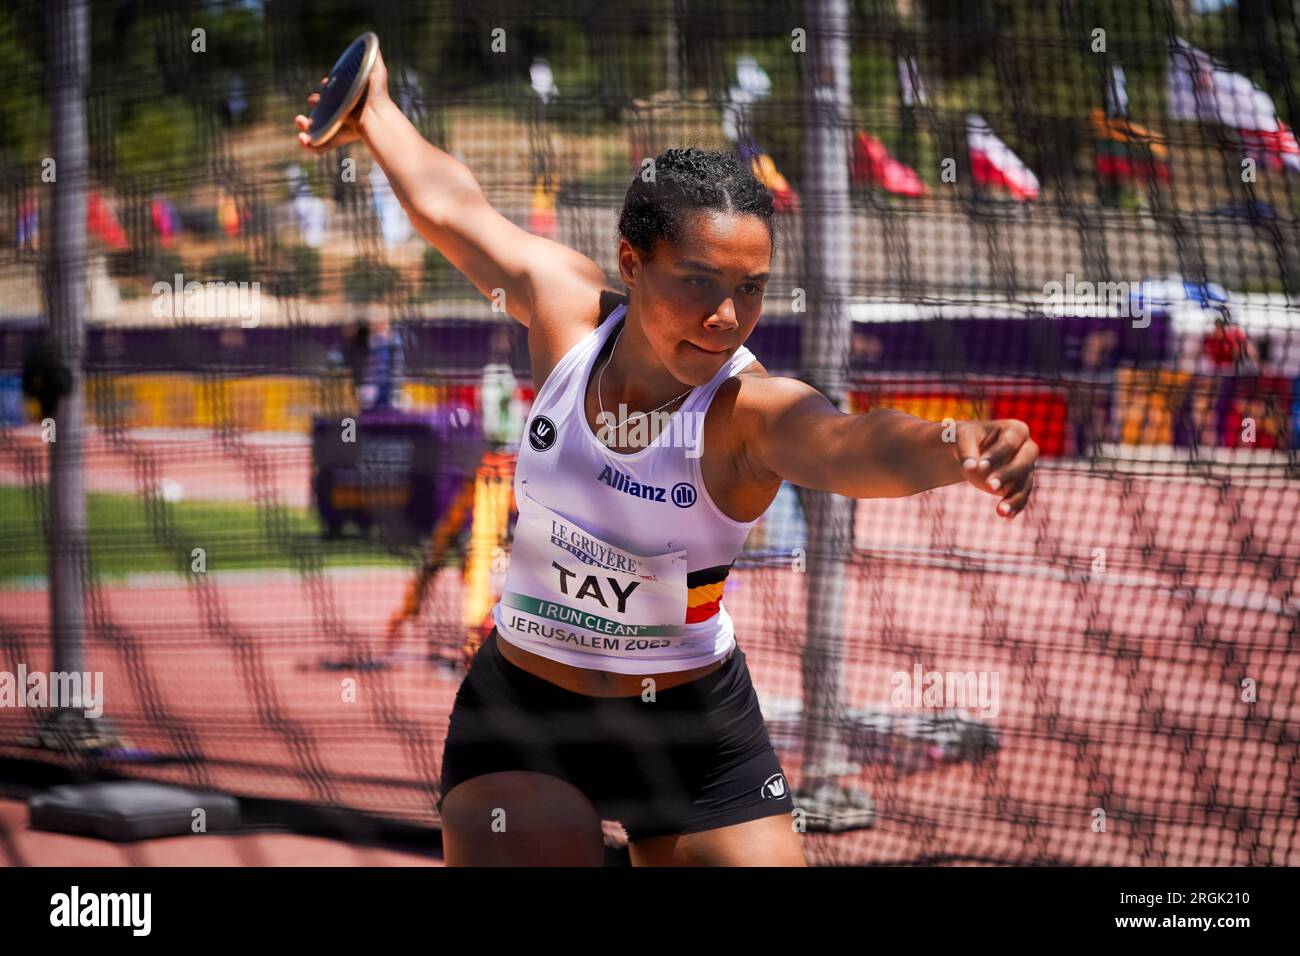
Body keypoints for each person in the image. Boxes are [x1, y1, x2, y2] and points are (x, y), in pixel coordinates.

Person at [294, 49, 1038, 867]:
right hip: (524, 718)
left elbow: (843, 441)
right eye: (697, 281)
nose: (725, 316)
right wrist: (376, 114)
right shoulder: (564, 317)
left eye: (750, 287)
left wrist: (951, 444)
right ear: (631, 262)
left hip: (695, 731)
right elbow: (453, 208)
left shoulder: (744, 412)